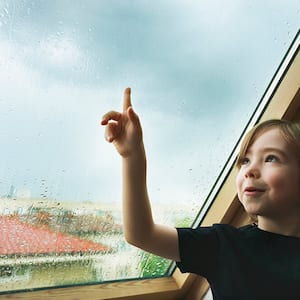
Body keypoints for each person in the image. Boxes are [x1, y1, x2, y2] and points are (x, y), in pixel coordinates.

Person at [101, 87, 300, 300]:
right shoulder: (224, 245)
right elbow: (142, 235)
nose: (249, 170)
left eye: (271, 158)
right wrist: (132, 156)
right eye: (245, 160)